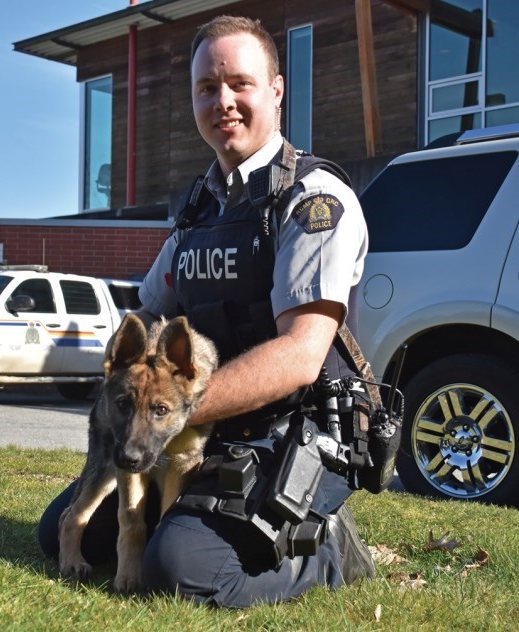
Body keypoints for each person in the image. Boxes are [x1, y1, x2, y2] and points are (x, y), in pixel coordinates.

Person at [38, 15, 377, 608]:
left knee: (178, 569)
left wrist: (175, 412)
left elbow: (300, 355)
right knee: (63, 533)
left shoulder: (313, 201)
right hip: (199, 429)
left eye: (240, 83)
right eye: (206, 88)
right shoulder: (200, 209)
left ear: (275, 90)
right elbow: (146, 315)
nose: (223, 101)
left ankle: (326, 551)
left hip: (285, 433)